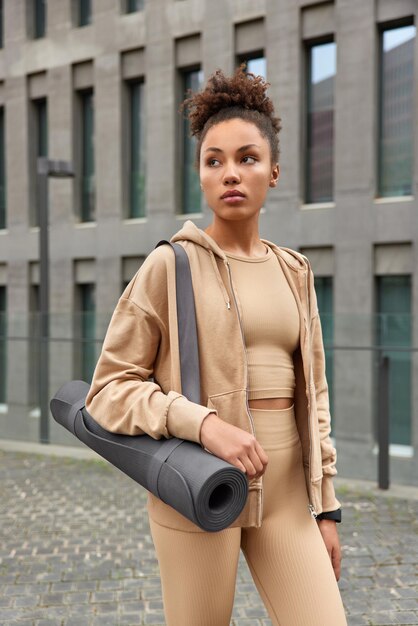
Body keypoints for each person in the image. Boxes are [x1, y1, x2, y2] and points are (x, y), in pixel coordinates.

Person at [86, 67, 347, 626]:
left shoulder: (294, 270)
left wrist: (327, 507)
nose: (231, 173)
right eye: (214, 160)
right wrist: (202, 423)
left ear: (273, 171)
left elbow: (316, 395)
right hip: (202, 488)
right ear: (201, 176)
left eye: (247, 158)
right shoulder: (169, 265)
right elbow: (108, 390)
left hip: (285, 497)